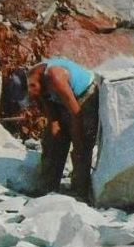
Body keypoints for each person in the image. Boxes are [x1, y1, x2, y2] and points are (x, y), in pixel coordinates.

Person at [7, 57, 100, 201]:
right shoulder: (35, 81)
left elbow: (76, 114)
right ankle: (47, 186)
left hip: (83, 97)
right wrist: (54, 135)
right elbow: (53, 118)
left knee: (81, 143)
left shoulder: (54, 76)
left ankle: (80, 191)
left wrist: (77, 140)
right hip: (60, 97)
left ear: (32, 86)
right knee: (51, 140)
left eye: (30, 97)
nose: (32, 100)